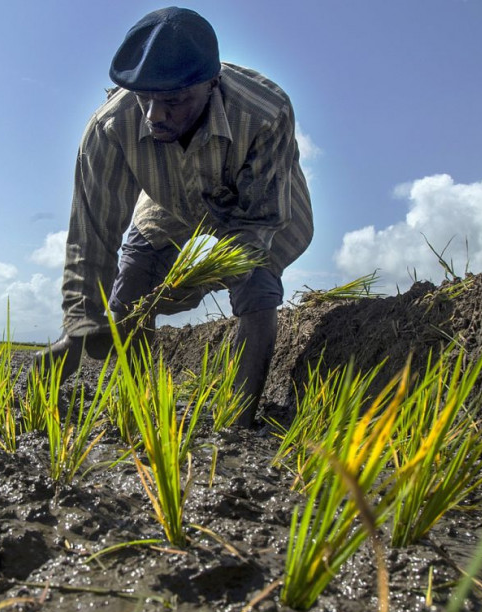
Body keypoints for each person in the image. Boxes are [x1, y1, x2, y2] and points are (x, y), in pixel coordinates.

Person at [33, 6, 313, 427]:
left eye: (172, 101)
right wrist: (79, 326)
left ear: (211, 84)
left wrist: (192, 280)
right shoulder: (111, 128)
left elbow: (257, 226)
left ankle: (237, 425)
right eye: (144, 98)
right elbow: (92, 234)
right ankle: (138, 409)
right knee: (132, 281)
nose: (154, 116)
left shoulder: (264, 113)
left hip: (258, 205)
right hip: (170, 198)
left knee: (256, 284)